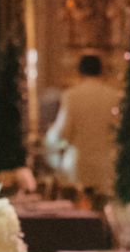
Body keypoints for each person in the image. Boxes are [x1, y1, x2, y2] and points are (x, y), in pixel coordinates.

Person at [45, 51, 121, 199]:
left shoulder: (71, 95)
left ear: (79, 71)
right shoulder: (114, 96)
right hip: (106, 167)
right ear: (101, 70)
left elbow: (63, 132)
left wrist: (50, 138)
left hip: (78, 167)